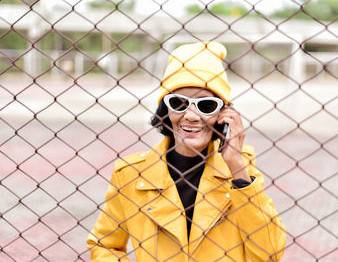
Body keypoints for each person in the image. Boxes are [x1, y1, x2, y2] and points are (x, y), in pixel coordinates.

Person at [87, 42, 286, 261]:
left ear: (224, 113)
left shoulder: (241, 172)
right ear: (165, 109)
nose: (191, 115)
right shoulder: (131, 174)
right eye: (179, 103)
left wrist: (237, 168)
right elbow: (105, 245)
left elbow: (270, 254)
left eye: (206, 105)